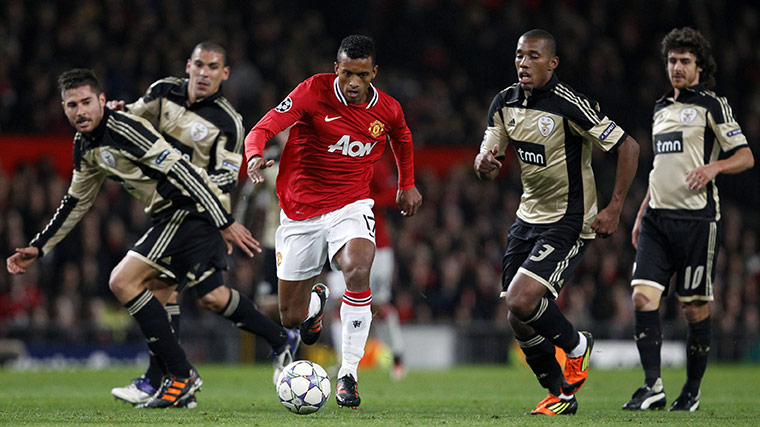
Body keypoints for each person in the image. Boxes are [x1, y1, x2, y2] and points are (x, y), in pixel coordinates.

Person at [6, 69, 261, 409]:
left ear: (101, 101)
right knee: (161, 292)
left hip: (189, 211)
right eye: (72, 105)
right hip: (172, 215)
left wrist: (223, 220)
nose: (80, 111)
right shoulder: (84, 145)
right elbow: (76, 201)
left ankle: (181, 374)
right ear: (63, 108)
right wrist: (39, 246)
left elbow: (182, 169)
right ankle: (166, 386)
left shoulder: (124, 129)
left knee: (122, 281)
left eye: (86, 102)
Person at [105, 42, 299, 407]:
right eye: (199, 65)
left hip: (197, 215)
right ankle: (278, 339)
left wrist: (221, 220)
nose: (205, 72)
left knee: (141, 283)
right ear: (188, 66)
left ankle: (162, 379)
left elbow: (225, 182)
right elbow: (133, 118)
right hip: (169, 210)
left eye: (213, 67)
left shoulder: (228, 122)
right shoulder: (163, 92)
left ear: (224, 74)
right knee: (207, 295)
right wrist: (116, 112)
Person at [245, 35, 422, 409]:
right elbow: (263, 127)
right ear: (335, 68)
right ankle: (314, 307)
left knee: (357, 269)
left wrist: (407, 184)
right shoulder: (313, 91)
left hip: (350, 205)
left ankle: (349, 375)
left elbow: (402, 137)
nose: (353, 83)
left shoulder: (387, 109)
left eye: (362, 75)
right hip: (299, 212)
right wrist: (254, 155)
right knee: (290, 317)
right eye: (346, 74)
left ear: (374, 73)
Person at [474, 29, 639, 415]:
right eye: (518, 55)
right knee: (518, 319)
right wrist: (483, 165)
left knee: (521, 299)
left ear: (552, 63)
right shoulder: (504, 103)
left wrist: (614, 207)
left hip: (569, 218)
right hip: (526, 218)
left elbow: (628, 146)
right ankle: (560, 394)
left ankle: (578, 346)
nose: (523, 63)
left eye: (533, 56)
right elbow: (486, 161)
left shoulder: (571, 105)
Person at [622, 27, 754, 413]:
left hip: (697, 220)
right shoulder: (660, 108)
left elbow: (745, 156)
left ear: (699, 66)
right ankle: (652, 386)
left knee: (694, 307)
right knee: (641, 297)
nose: (677, 67)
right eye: (672, 60)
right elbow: (661, 166)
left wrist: (714, 168)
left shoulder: (713, 105)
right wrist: (643, 208)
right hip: (657, 220)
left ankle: (691, 391)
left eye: (684, 61)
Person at [326, 155, 406, 381]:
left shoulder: (373, 161)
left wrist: (361, 202)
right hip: (340, 243)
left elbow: (394, 195)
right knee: (337, 304)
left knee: (378, 306)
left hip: (376, 244)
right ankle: (346, 363)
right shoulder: (331, 158)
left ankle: (398, 358)